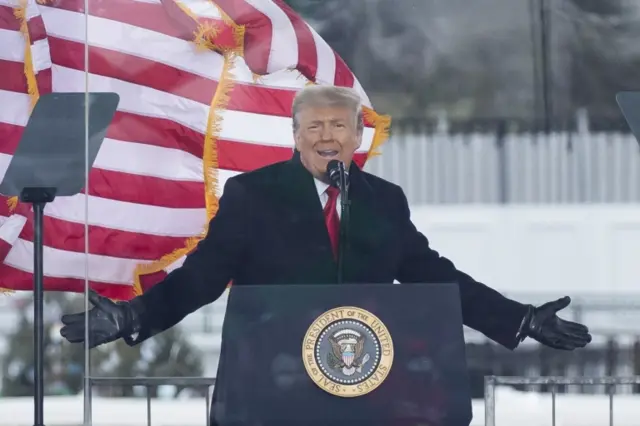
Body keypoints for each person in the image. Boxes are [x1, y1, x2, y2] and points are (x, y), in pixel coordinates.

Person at [60, 85, 591, 351]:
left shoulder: (382, 200)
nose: (326, 137)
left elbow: (434, 275)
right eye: (313, 127)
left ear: (358, 137)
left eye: (339, 126)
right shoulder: (252, 196)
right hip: (271, 378)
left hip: (364, 376)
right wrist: (134, 317)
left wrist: (518, 320)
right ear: (294, 136)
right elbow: (200, 279)